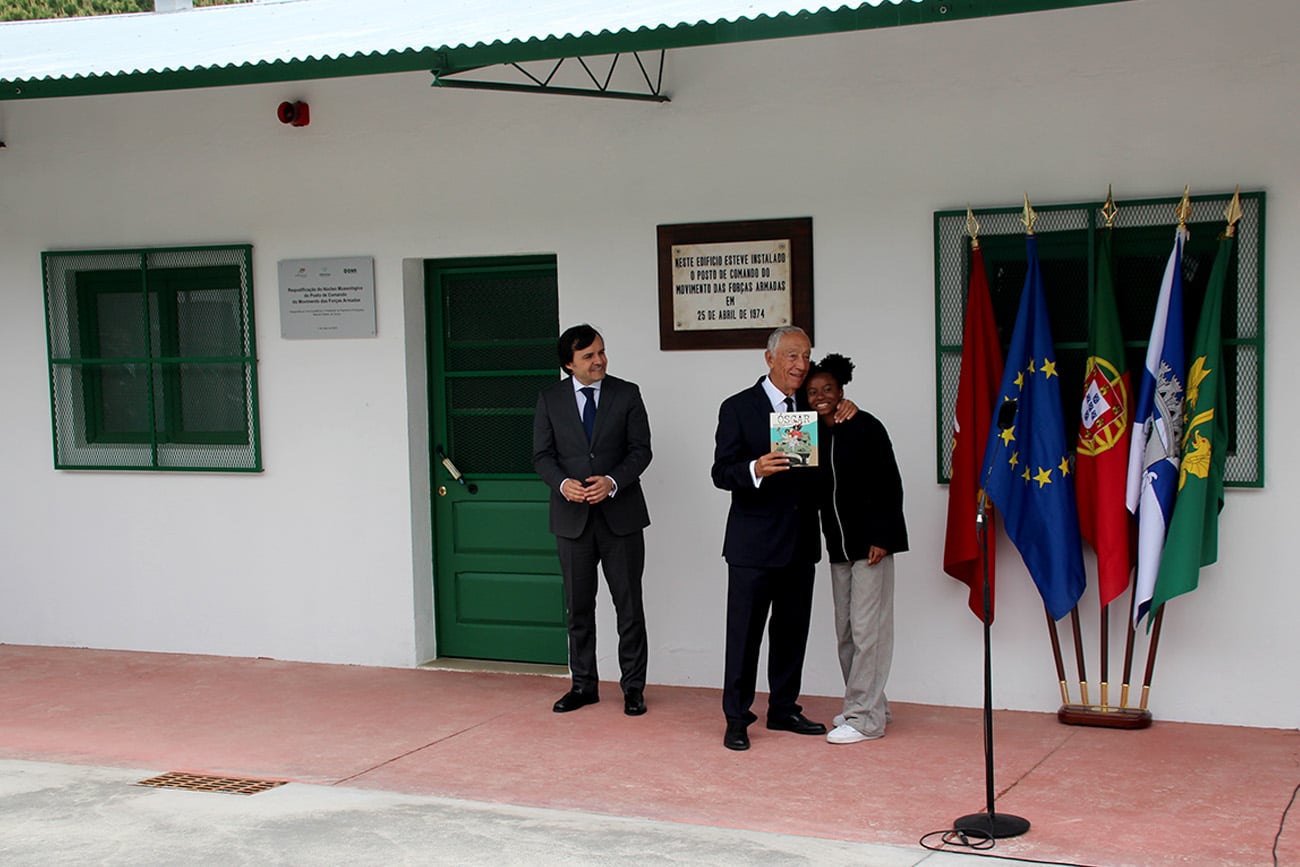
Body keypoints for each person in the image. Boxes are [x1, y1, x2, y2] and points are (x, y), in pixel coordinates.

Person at [710, 325, 855, 751]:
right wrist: (754, 469)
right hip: (752, 546)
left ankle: (784, 708)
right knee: (744, 637)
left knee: (792, 634)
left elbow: (833, 452)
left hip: (800, 542)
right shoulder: (738, 407)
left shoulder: (812, 407)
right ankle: (736, 718)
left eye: (806, 356)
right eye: (792, 356)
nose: (801, 364)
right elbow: (720, 472)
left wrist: (845, 408)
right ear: (769, 358)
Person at [533, 324, 653, 717]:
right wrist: (562, 483)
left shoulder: (627, 393)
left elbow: (641, 450)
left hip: (621, 518)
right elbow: (542, 456)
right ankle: (583, 686)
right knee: (578, 609)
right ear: (569, 364)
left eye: (601, 352)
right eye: (588, 356)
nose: (599, 360)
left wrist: (613, 482)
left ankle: (633, 689)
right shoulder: (550, 399)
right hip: (572, 521)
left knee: (629, 608)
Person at [805, 354, 908, 744]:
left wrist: (883, 536)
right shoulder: (809, 433)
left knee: (869, 632)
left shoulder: (866, 427)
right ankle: (869, 704)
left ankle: (865, 719)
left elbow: (889, 483)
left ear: (842, 390)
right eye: (813, 392)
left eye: (828, 389)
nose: (820, 397)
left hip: (870, 546)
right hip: (837, 547)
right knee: (847, 632)